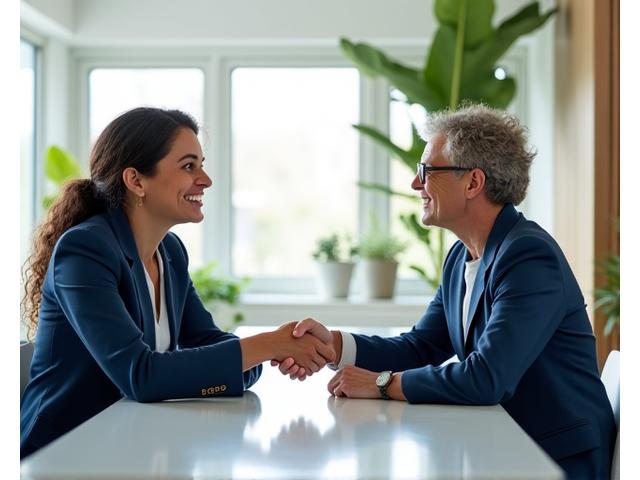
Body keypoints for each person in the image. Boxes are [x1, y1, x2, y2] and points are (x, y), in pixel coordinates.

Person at [275, 105, 617, 479]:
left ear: (472, 183)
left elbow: (486, 379)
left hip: (554, 460)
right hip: (503, 446)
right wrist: (336, 346)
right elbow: (421, 347)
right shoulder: (461, 256)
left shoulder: (529, 256)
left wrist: (382, 384)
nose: (415, 184)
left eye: (427, 171)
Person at [20, 107, 335, 459]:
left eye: (201, 163)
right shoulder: (85, 250)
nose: (206, 179)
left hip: (133, 444)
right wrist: (267, 346)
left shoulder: (169, 251)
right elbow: (141, 376)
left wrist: (272, 348)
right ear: (136, 181)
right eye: (189, 166)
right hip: (62, 453)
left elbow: (213, 345)